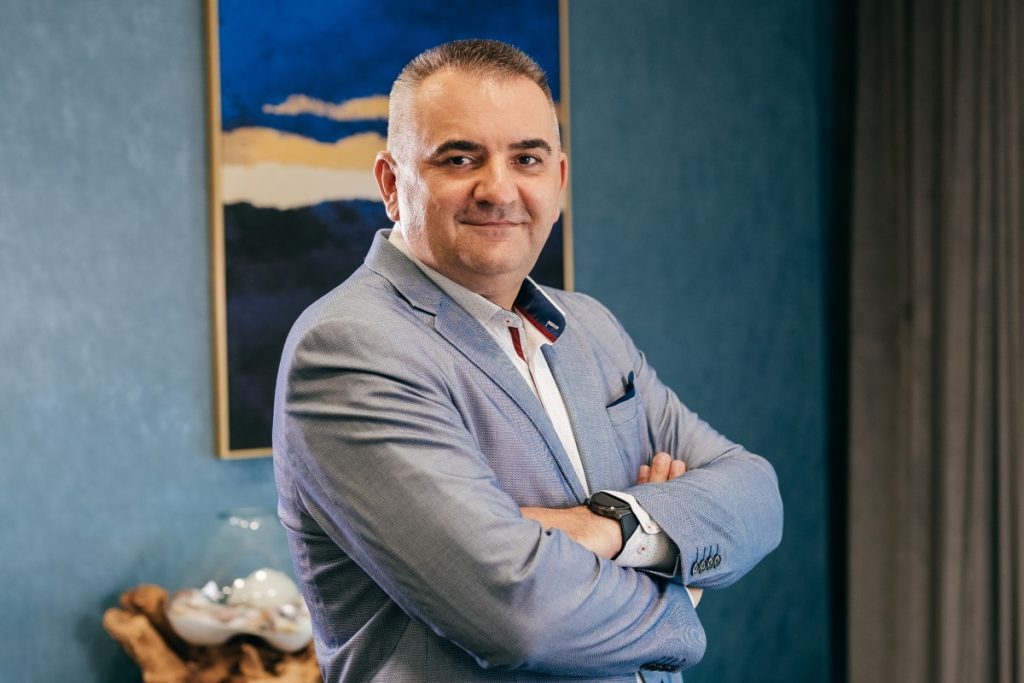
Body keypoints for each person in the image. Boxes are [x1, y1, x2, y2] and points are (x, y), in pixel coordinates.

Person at [273, 39, 783, 683]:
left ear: (558, 179)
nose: (498, 189)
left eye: (527, 159)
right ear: (392, 184)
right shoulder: (349, 348)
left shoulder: (591, 328)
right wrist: (678, 582)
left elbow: (757, 495)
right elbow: (521, 616)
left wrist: (617, 527)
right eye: (460, 158)